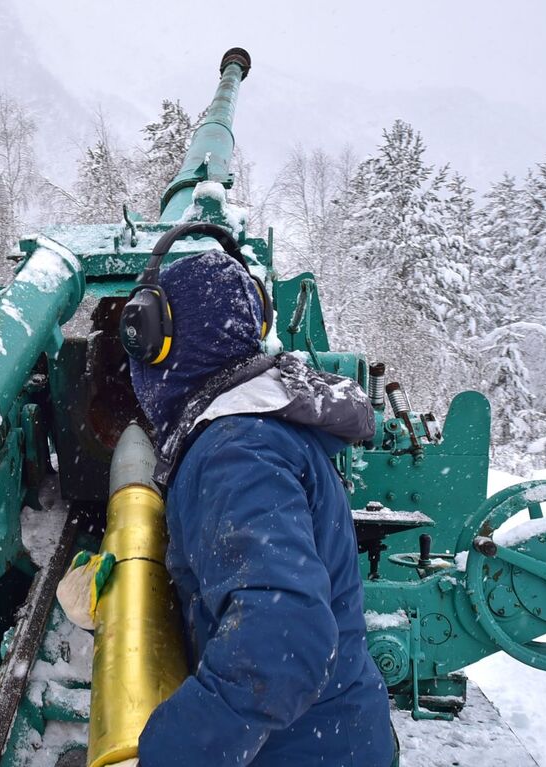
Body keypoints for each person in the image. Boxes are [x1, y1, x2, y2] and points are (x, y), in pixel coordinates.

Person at [125, 250, 395, 766]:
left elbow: (281, 640)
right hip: (332, 740)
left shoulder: (235, 451)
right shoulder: (260, 431)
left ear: (159, 341)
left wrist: (169, 754)